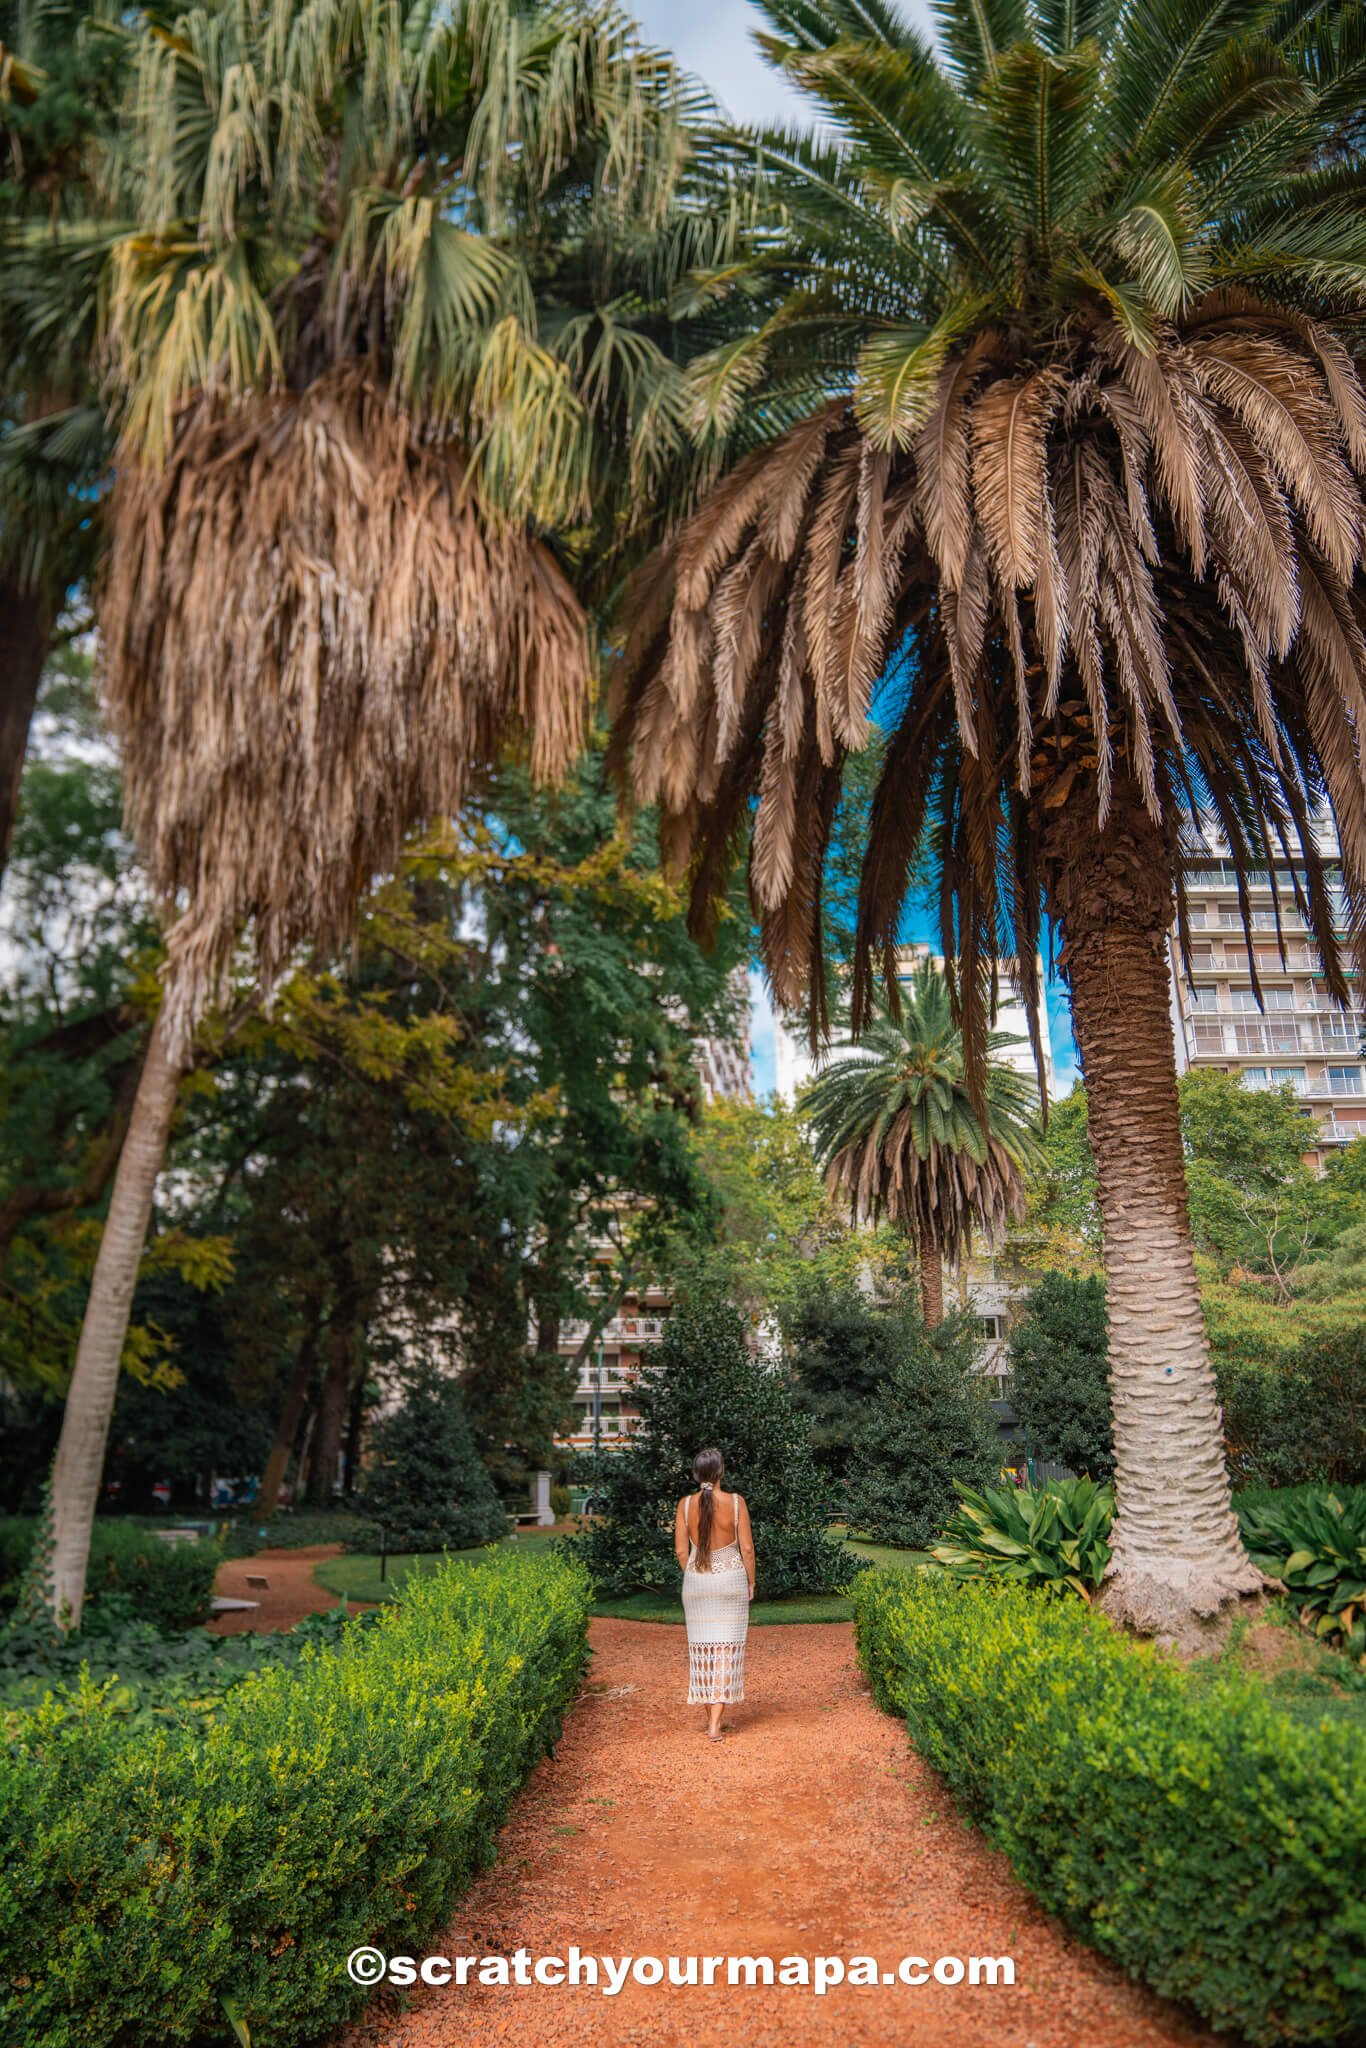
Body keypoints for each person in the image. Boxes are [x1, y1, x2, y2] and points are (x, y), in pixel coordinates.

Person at [673, 1447, 755, 1741]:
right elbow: (746, 1549)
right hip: (730, 1579)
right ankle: (715, 1724)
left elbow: (682, 1551)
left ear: (697, 1474)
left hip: (696, 1582)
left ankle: (712, 1719)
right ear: (721, 1473)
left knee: (703, 1651)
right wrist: (751, 1582)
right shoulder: (735, 1502)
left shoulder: (684, 1505)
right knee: (725, 1650)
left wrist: (694, 1575)